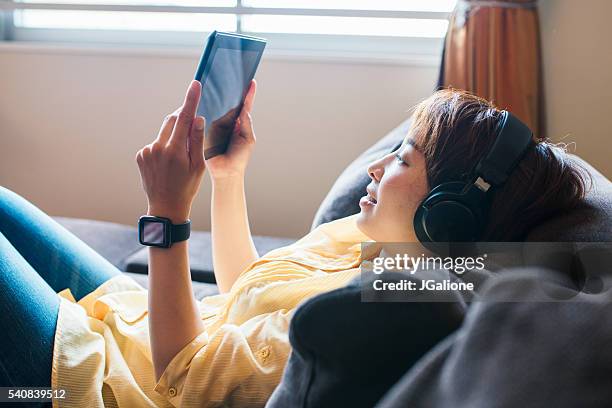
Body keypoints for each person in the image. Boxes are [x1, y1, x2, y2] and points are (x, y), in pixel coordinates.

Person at [0, 80, 588, 407]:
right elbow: (253, 292)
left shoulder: (365, 315)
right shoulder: (374, 237)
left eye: (404, 159)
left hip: (86, 383)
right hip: (130, 324)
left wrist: (166, 217)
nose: (377, 167)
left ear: (450, 217)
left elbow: (183, 372)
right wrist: (227, 180)